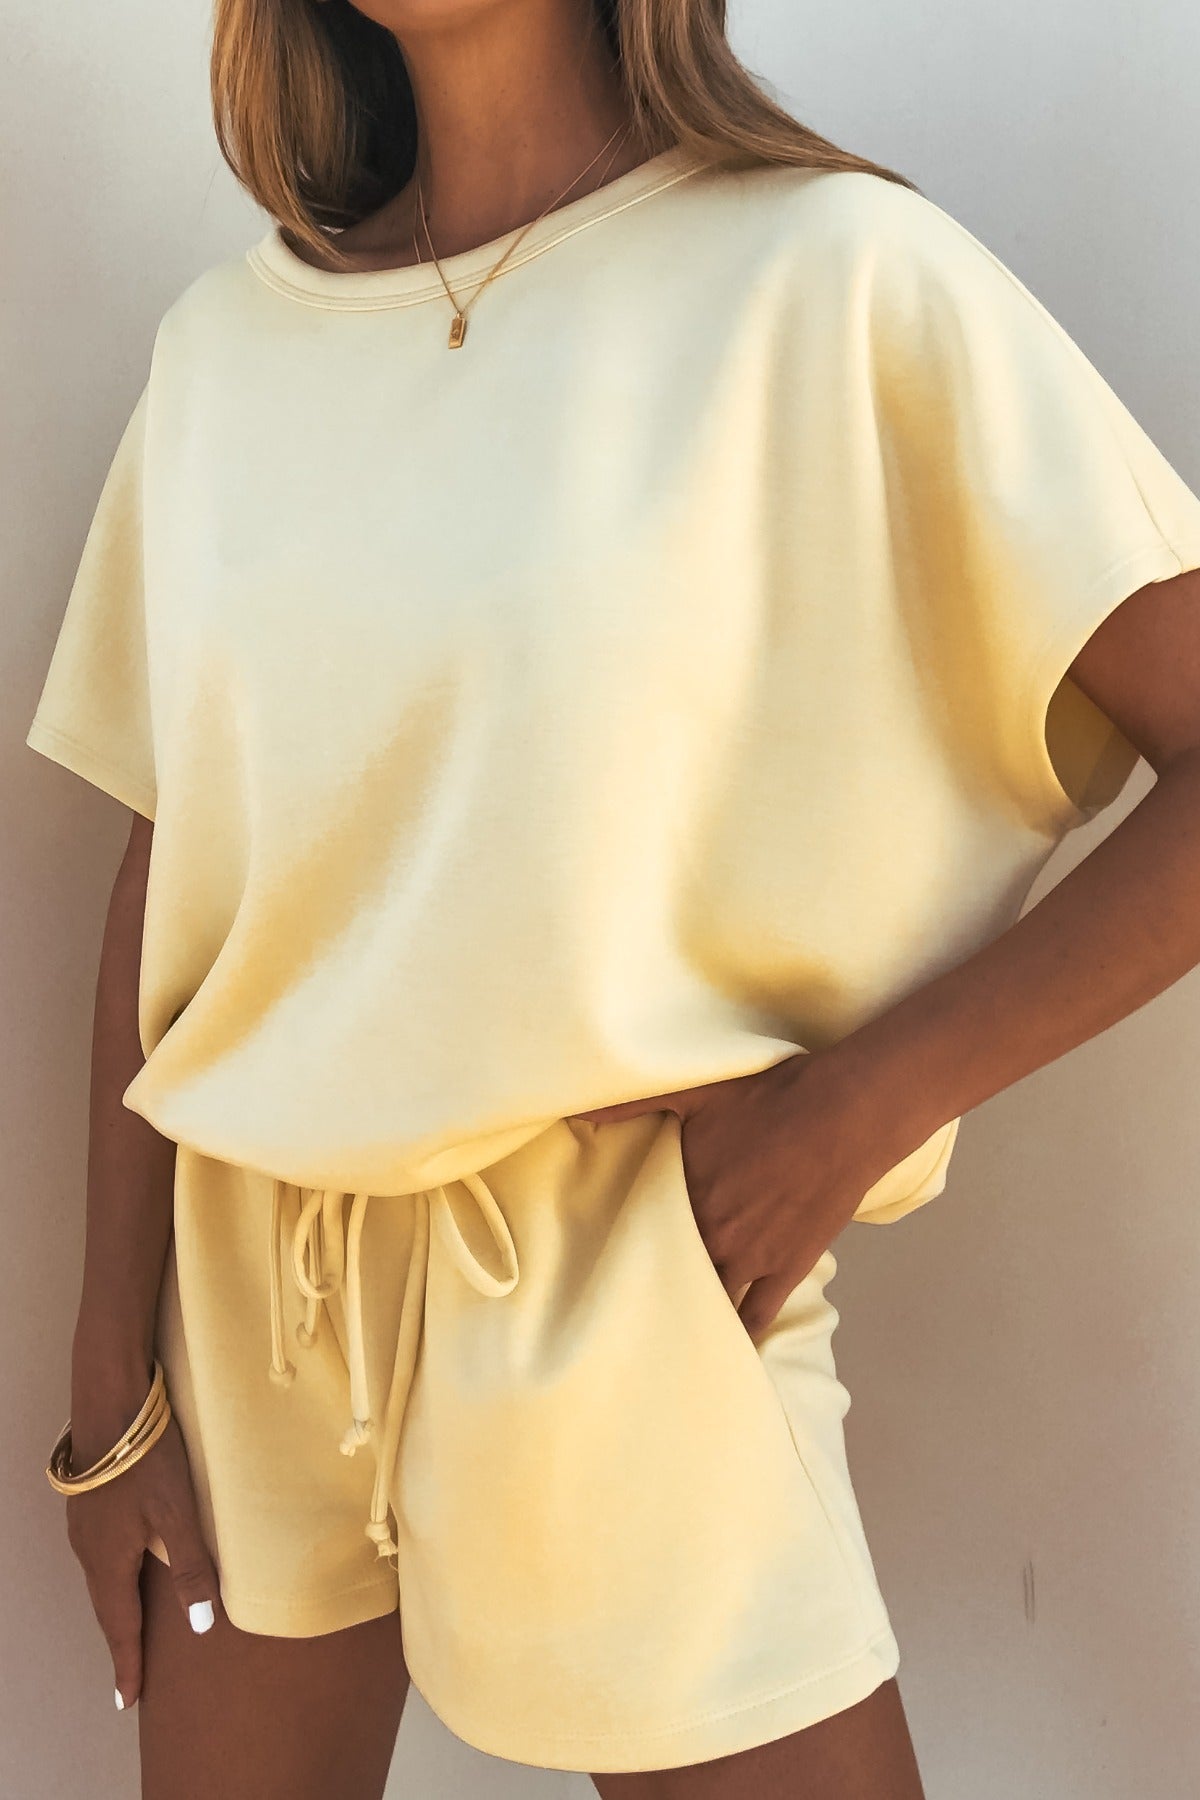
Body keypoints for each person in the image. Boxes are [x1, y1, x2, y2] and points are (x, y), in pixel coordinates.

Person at [26, 1, 1200, 1795]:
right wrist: (110, 1378)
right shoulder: (227, 353)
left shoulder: (836, 281)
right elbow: (174, 863)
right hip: (252, 1305)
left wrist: (859, 1106)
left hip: (626, 1277)